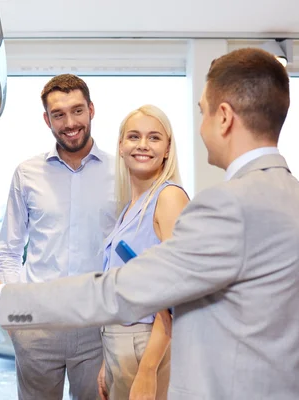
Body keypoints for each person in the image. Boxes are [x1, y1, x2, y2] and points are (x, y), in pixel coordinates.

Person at [0, 48, 299, 400]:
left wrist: (6, 300)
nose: (200, 128)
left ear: (224, 118)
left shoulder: (225, 205)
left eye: (202, 112)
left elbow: (125, 291)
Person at [0, 74, 116, 400]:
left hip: (97, 327)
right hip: (37, 325)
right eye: (58, 114)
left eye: (77, 111)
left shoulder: (121, 173)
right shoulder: (27, 172)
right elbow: (9, 249)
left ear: (91, 110)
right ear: (47, 119)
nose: (70, 122)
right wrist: (17, 317)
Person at [97, 105, 189, 400]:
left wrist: (148, 369)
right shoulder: (129, 208)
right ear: (121, 147)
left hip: (147, 345)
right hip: (121, 342)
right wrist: (107, 359)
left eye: (154, 138)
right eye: (134, 137)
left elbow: (176, 295)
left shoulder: (169, 198)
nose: (142, 145)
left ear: (167, 149)